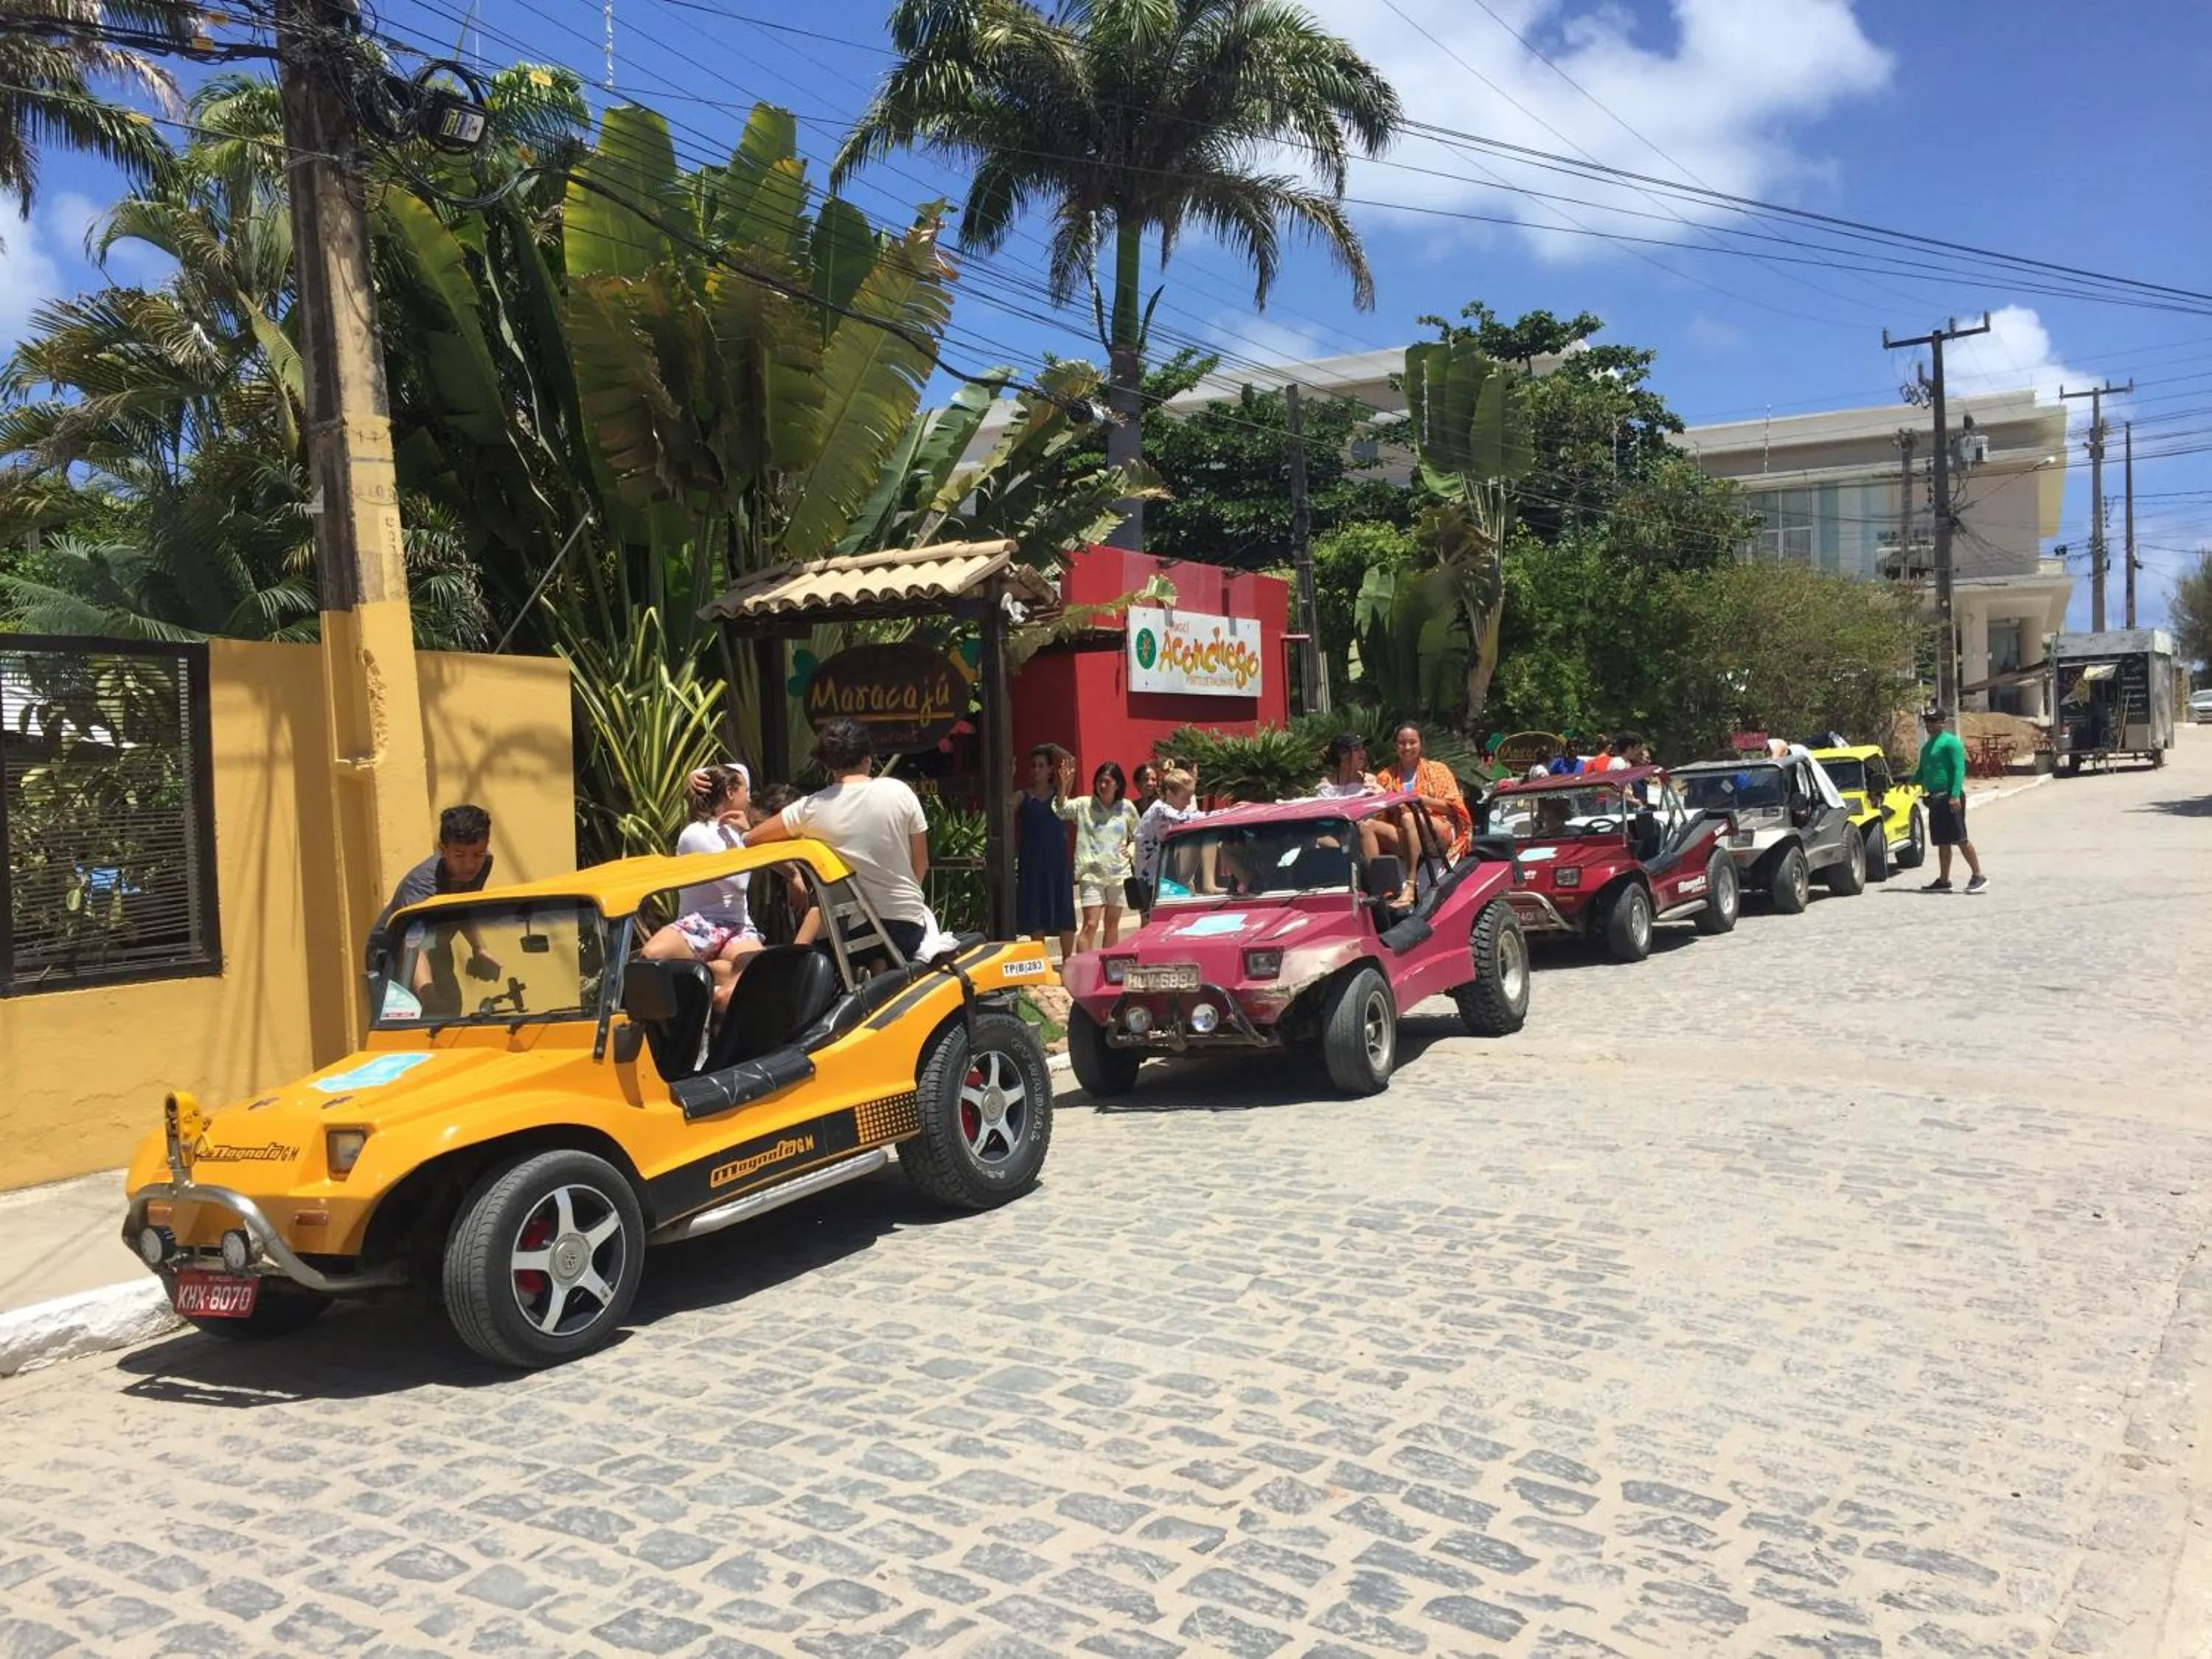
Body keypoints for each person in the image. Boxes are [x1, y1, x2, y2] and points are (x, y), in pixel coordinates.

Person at [742, 719, 935, 961]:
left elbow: (752, 839)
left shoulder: (811, 808)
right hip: (906, 927)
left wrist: (792, 873)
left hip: (851, 936)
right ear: (867, 758)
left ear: (828, 765)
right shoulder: (900, 792)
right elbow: (921, 864)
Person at [641, 765, 766, 1009]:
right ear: (731, 793)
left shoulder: (735, 831)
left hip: (738, 925)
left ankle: (716, 985)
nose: (750, 797)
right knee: (651, 956)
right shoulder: (696, 834)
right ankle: (713, 972)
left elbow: (738, 769)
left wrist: (695, 775)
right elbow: (738, 883)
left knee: (756, 970)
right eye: (746, 790)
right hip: (702, 922)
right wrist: (745, 840)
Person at [370, 804, 499, 1004]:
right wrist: (426, 993)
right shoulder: (420, 888)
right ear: (443, 850)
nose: (470, 865)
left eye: (477, 854)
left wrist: (478, 947)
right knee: (413, 1013)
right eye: (459, 855)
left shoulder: (485, 864)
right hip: (393, 954)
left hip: (437, 943)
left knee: (451, 1005)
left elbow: (461, 906)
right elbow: (413, 946)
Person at [1061, 759, 1140, 954]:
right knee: (1090, 924)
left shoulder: (1127, 807)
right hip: (1091, 874)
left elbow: (1141, 835)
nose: (1102, 785)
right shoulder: (1084, 805)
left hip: (1119, 874)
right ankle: (1084, 971)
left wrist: (1130, 851)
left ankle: (1108, 972)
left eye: (1107, 781)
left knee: (1112, 926)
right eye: (1099, 781)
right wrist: (1064, 786)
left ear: (1118, 784)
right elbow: (1061, 811)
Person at [1376, 723, 1473, 871]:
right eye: (1402, 743)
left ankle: (1411, 881)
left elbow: (1455, 810)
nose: (1407, 748)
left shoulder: (1438, 771)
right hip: (1403, 835)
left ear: (1421, 744)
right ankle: (1378, 884)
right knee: (1367, 826)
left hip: (1439, 831)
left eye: (1412, 742)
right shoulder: (1384, 777)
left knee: (1410, 818)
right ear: (1395, 746)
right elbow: (1381, 817)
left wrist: (1420, 800)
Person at [1014, 745, 1077, 958]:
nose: (1036, 770)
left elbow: (1071, 762)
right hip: (1032, 862)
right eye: (1033, 766)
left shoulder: (1060, 795)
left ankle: (1068, 962)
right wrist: (1008, 776)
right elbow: (1004, 809)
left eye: (1041, 766)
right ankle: (1042, 963)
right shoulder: (1022, 796)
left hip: (1057, 861)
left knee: (1064, 912)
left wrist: (1051, 748)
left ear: (1051, 769)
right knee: (1036, 913)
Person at [1914, 708, 1986, 893]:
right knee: (1942, 841)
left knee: (1960, 838)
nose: (1930, 724)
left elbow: (1959, 769)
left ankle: (1978, 875)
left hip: (1950, 797)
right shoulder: (1927, 747)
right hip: (1935, 798)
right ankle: (1944, 880)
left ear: (1942, 723)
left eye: (1934, 720)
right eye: (1927, 720)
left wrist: (1954, 795)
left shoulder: (1951, 743)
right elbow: (1922, 772)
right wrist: (1909, 784)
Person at [749, 782, 823, 945]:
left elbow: (819, 909)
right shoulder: (767, 857)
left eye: (759, 827)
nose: (754, 834)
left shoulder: (808, 855)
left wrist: (793, 956)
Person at [1133, 767, 1199, 906]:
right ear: (1169, 794)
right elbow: (1191, 818)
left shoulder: (1168, 810)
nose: (1188, 803)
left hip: (1165, 878)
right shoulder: (1159, 810)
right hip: (1152, 883)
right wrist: (1232, 812)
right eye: (1185, 798)